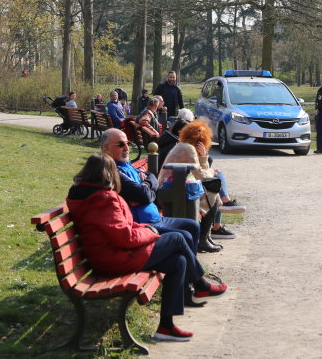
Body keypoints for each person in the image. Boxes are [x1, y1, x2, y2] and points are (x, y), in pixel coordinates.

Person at [66, 153, 227, 341]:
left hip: (110, 254)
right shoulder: (103, 199)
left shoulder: (87, 196)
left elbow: (121, 229)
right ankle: (200, 285)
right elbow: (125, 237)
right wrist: (152, 232)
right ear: (109, 174)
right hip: (114, 259)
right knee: (177, 238)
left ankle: (166, 327)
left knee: (178, 261)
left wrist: (146, 228)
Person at [101, 128, 201, 256]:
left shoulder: (126, 165)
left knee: (193, 226)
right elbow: (144, 195)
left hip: (156, 217)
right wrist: (147, 190)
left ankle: (189, 271)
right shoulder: (113, 171)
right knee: (184, 235)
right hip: (143, 224)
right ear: (106, 148)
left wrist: (146, 184)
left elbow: (152, 177)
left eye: (128, 143)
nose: (127, 148)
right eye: (121, 144)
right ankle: (190, 272)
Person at [158, 120, 235, 252]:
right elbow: (201, 174)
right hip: (172, 193)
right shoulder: (188, 149)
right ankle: (203, 239)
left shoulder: (184, 146)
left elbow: (199, 171)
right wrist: (211, 170)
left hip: (174, 189)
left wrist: (203, 155)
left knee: (214, 196)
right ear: (202, 139)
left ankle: (205, 237)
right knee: (214, 195)